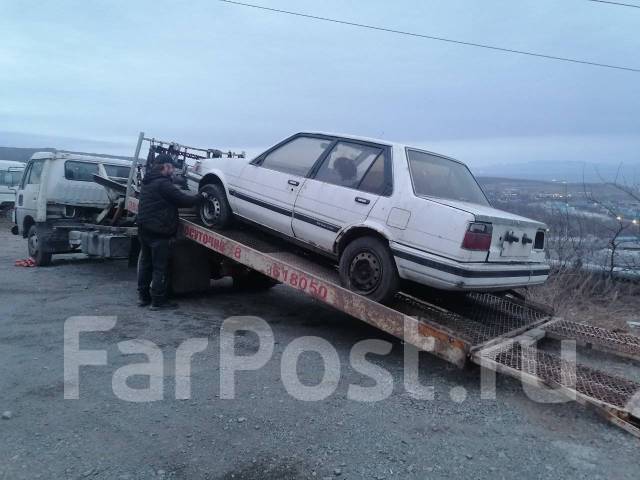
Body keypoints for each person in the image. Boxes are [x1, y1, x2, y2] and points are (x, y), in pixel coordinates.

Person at [136, 154, 207, 310]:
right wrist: (201, 197)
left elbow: (173, 185)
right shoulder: (163, 184)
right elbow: (183, 200)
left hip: (144, 229)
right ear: (165, 166)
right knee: (159, 267)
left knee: (145, 264)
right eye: (172, 167)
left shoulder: (148, 180)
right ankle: (158, 301)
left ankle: (143, 297)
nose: (173, 170)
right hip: (159, 231)